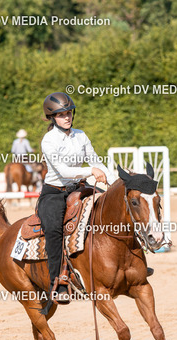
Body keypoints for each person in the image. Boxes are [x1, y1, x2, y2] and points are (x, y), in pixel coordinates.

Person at [38, 92, 116, 304]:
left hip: (80, 188)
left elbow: (96, 161)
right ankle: (57, 282)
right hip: (55, 192)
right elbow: (63, 171)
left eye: (68, 113)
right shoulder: (49, 140)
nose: (67, 117)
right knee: (54, 230)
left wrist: (115, 181)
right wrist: (90, 171)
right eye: (61, 114)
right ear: (52, 117)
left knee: (111, 209)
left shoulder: (81, 135)